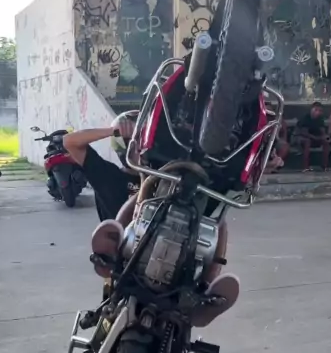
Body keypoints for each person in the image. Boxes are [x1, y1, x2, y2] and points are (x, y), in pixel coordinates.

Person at [63, 112, 240, 328]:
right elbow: (70, 142)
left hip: (173, 257)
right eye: (133, 142)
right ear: (123, 146)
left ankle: (208, 284)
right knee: (110, 322)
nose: (139, 148)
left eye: (142, 141)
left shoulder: (170, 180)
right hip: (126, 259)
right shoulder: (108, 175)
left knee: (217, 212)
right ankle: (113, 251)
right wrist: (113, 130)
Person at [297, 101, 330, 171]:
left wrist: (325, 137)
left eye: (320, 110)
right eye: (316, 110)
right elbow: (304, 133)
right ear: (311, 109)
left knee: (326, 142)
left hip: (315, 138)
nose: (317, 112)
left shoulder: (320, 119)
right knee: (307, 142)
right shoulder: (305, 118)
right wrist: (316, 138)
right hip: (302, 137)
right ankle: (306, 167)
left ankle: (325, 165)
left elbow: (322, 130)